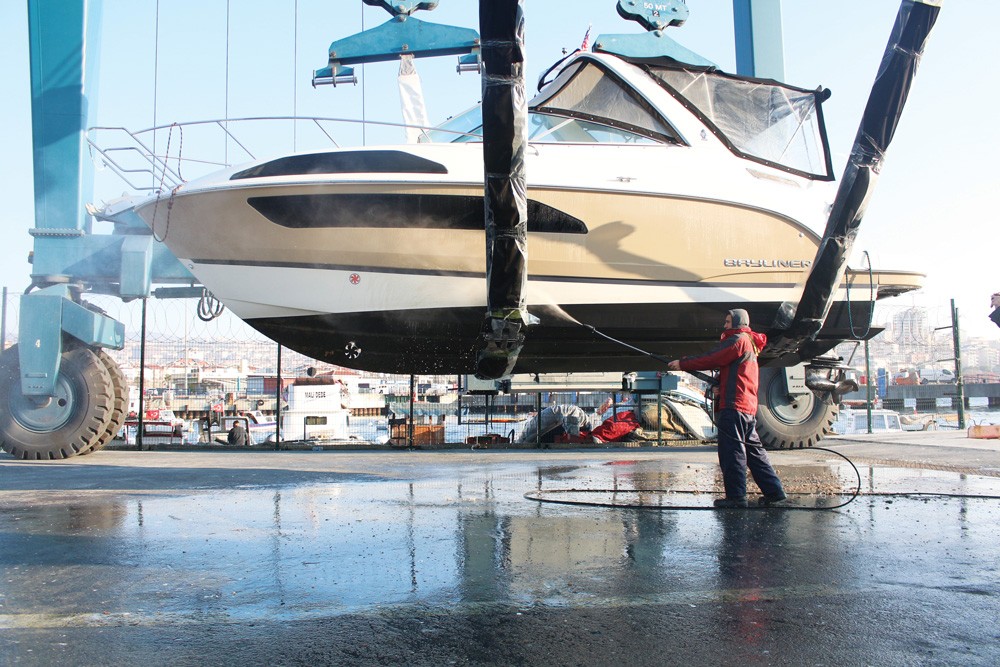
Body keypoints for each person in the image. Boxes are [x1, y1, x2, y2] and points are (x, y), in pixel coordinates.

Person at [667, 309, 786, 508]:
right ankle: (775, 493)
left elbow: (713, 358)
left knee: (733, 453)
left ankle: (736, 498)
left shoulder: (738, 340)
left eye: (728, 322)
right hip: (746, 406)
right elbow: (735, 371)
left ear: (738, 323)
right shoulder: (749, 343)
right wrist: (718, 385)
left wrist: (683, 363)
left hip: (734, 406)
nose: (725, 326)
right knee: (754, 452)